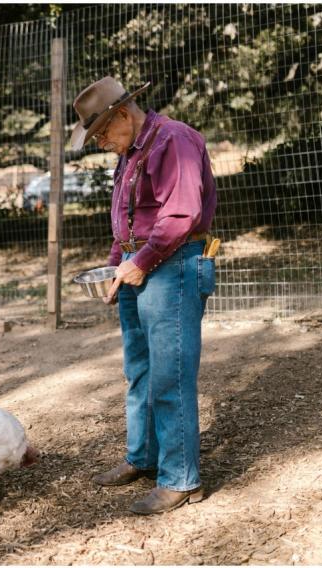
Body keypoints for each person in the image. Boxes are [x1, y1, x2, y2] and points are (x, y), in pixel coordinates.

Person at [70, 76, 218, 515]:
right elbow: (127, 216)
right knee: (139, 370)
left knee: (170, 375)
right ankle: (143, 456)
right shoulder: (132, 149)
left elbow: (181, 213)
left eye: (100, 134)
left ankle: (181, 479)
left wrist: (139, 261)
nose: (100, 144)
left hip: (173, 265)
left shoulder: (173, 140)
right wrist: (118, 264)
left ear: (121, 114)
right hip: (138, 266)